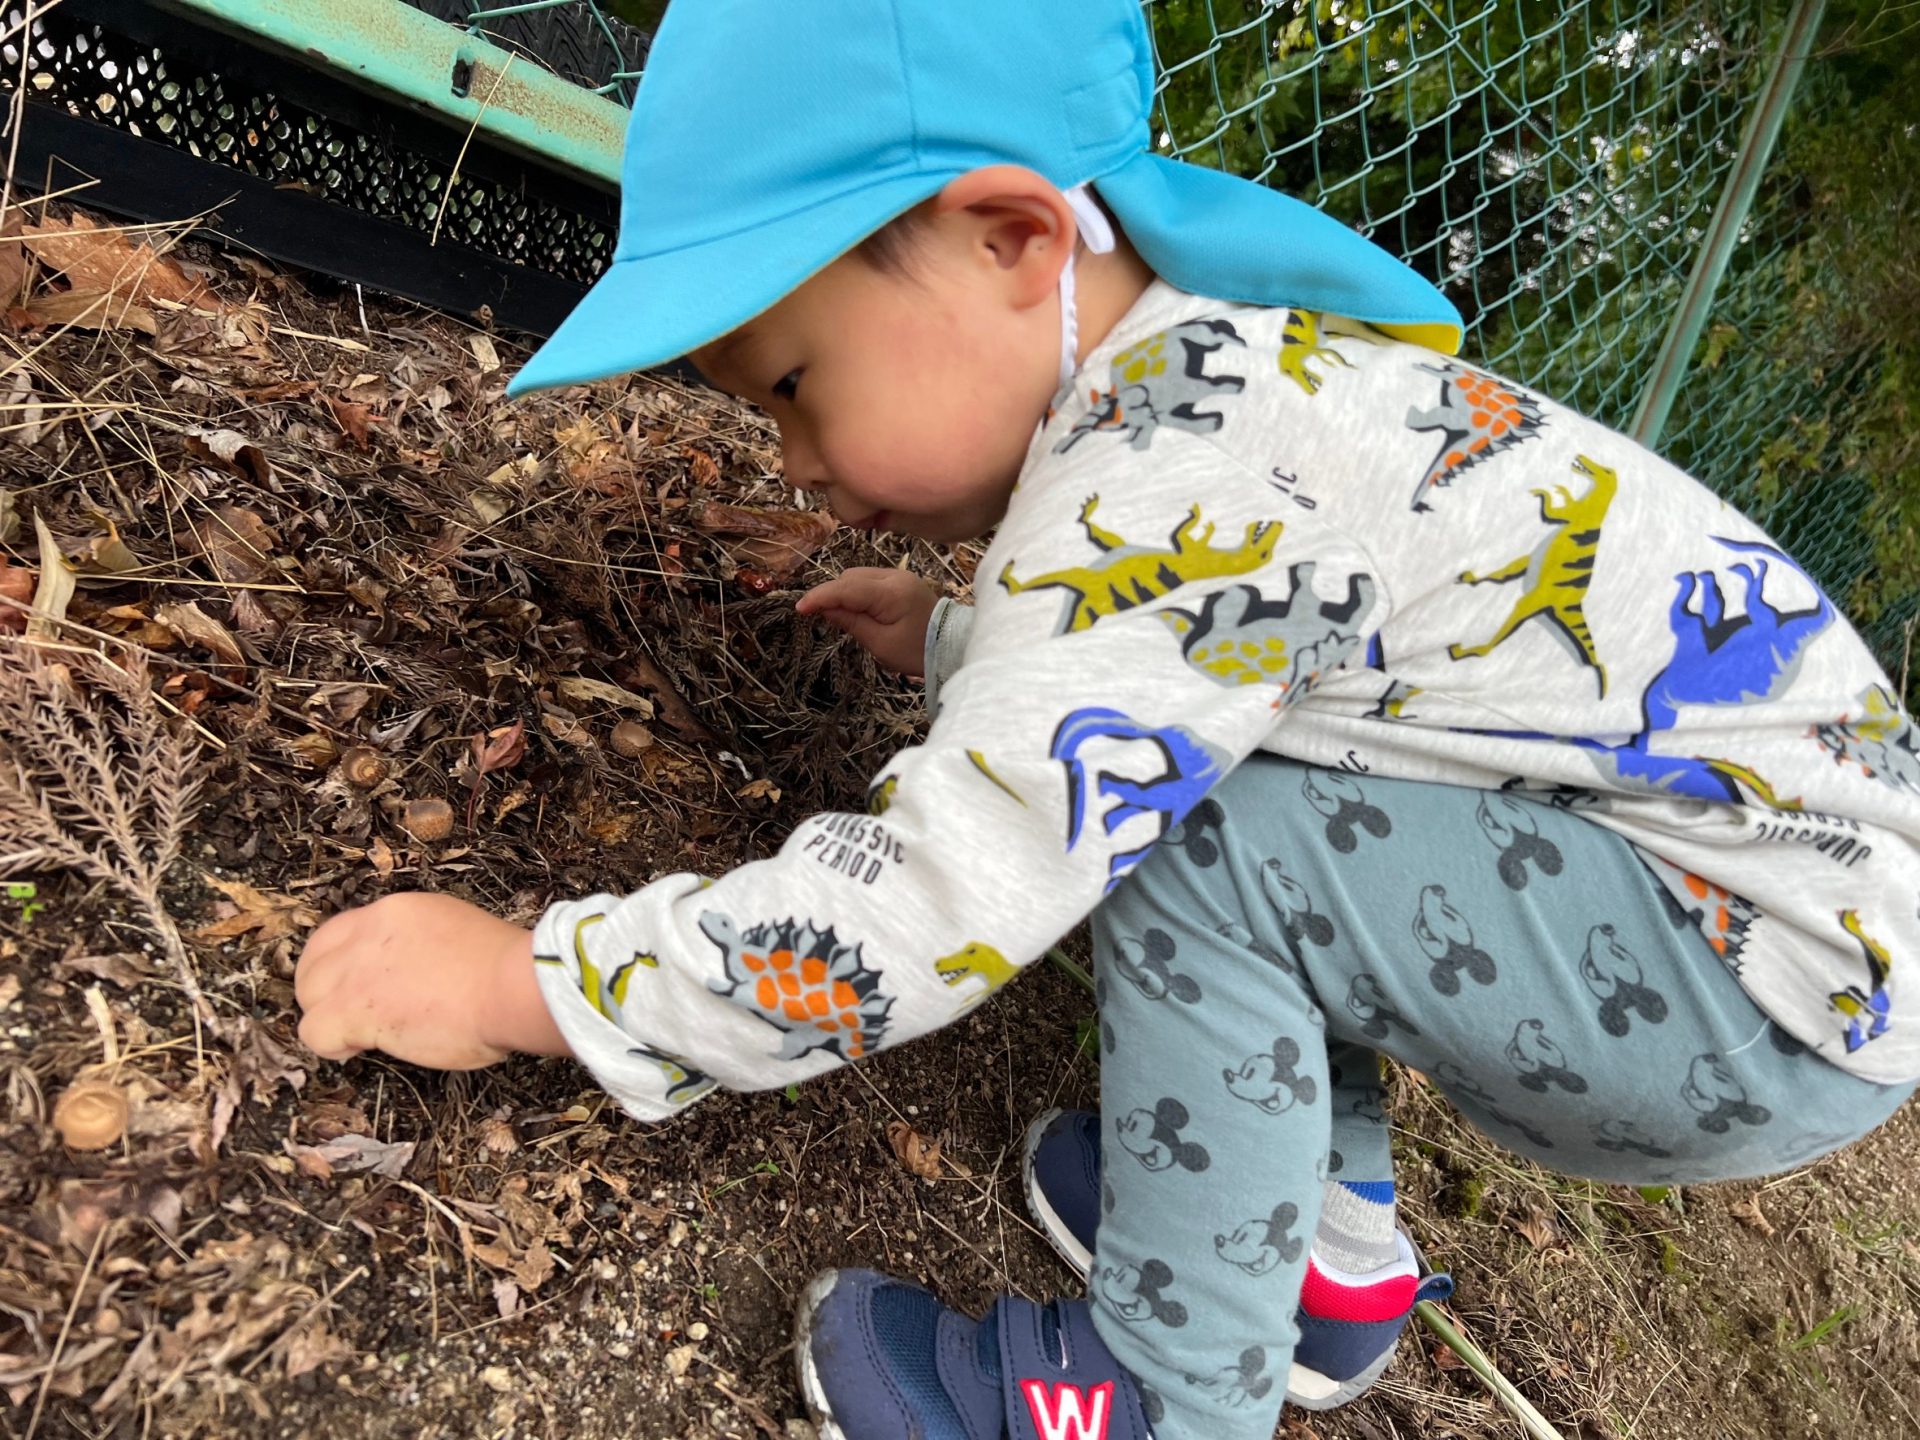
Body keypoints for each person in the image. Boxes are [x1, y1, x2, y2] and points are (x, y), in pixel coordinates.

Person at [293, 2, 1920, 1436]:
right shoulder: (1232, 385)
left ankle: (1160, 1396)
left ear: (1011, 241)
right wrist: (958, 638)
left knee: (1194, 829)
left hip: (1753, 980)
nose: (792, 466)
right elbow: (1248, 664)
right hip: (1776, 933)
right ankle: (1323, 1262)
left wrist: (531, 985)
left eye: (791, 386)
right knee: (1252, 793)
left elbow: (938, 892)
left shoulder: (1166, 464)